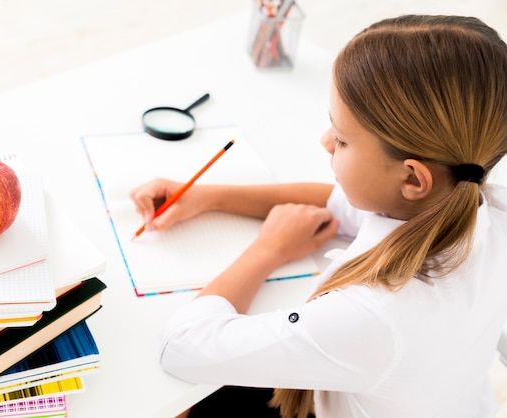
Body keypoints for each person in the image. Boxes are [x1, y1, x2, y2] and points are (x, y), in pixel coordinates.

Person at [129, 15, 507, 418]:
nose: (324, 142)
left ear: (413, 176)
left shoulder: (374, 315)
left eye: (342, 139)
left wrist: (268, 249)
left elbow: (182, 346)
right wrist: (208, 197)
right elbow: (334, 203)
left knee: (166, 403)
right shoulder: (468, 200)